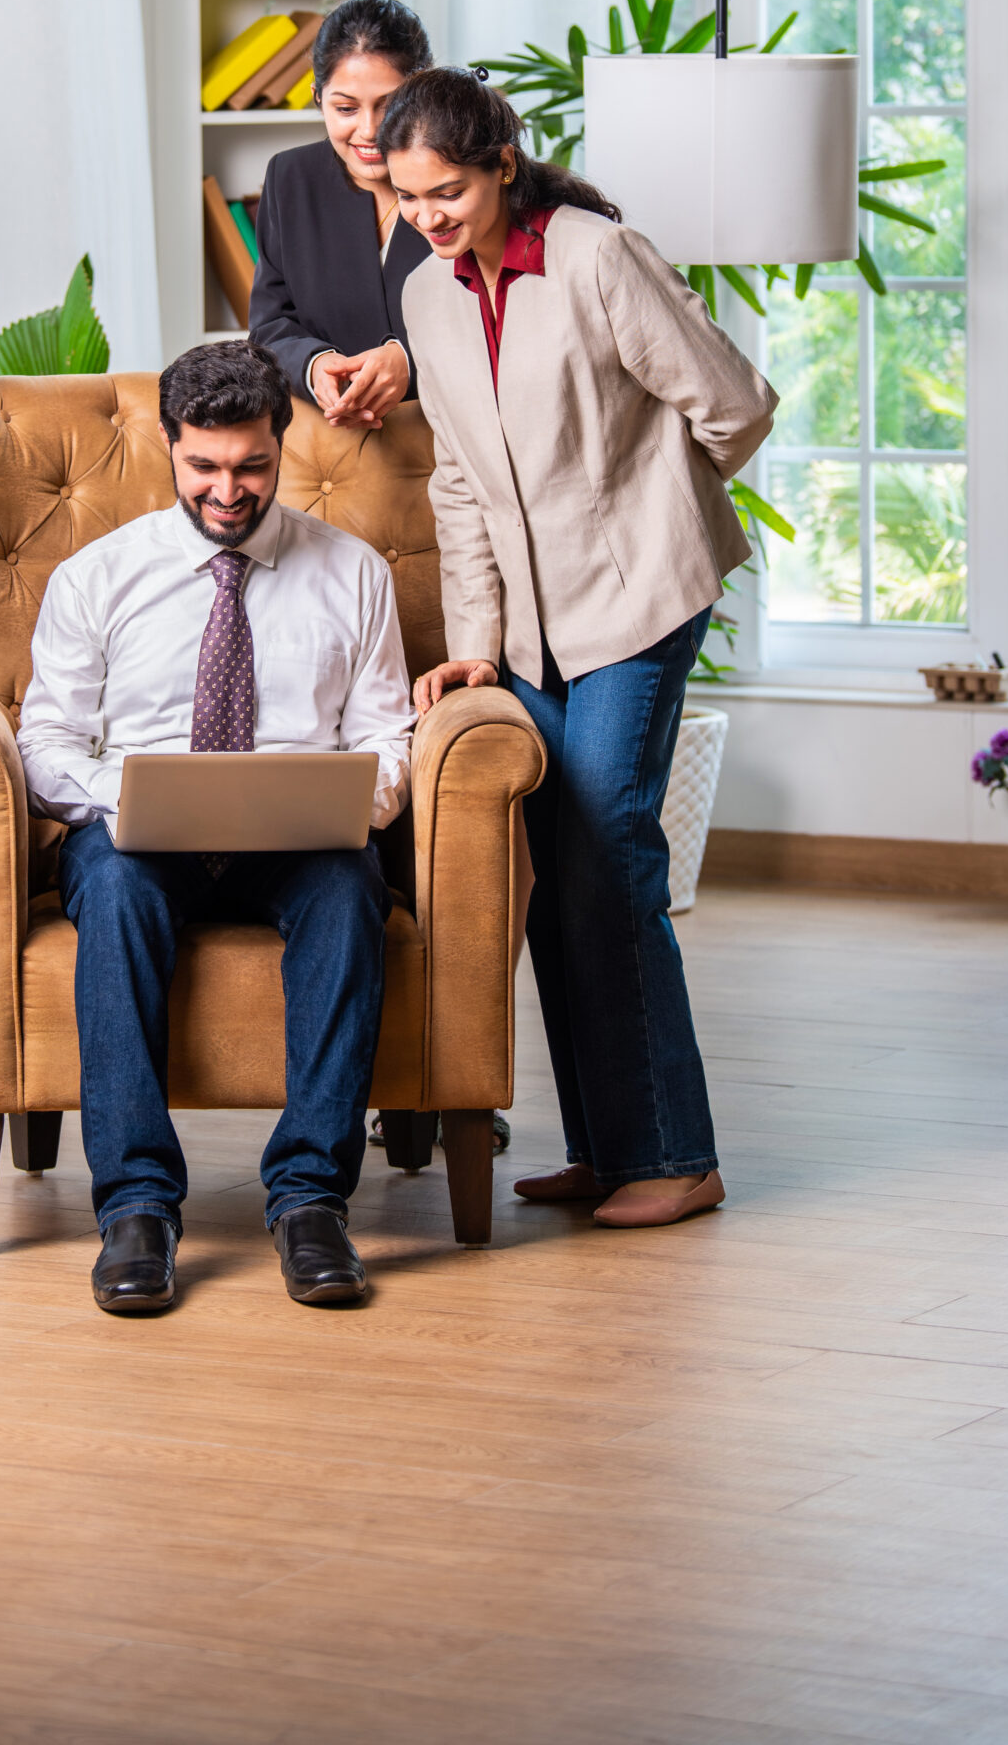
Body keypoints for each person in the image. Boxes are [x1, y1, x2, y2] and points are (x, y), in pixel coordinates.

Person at [380, 67, 777, 1231]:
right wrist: (474, 647)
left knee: (607, 841)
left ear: (501, 161)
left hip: (641, 598)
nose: (428, 216)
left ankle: (675, 1154)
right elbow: (456, 483)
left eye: (445, 190)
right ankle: (605, 1149)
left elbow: (734, 403)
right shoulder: (426, 295)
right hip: (533, 633)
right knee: (553, 869)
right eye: (408, 198)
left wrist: (655, 503)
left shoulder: (594, 255)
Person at [17, 340, 414, 1315]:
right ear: (168, 444)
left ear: (281, 444)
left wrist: (355, 799)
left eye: (250, 466)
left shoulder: (352, 574)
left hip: (298, 841)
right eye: (203, 466)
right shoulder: (97, 577)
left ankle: (311, 1199)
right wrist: (122, 800)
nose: (227, 490)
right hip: (136, 832)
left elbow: (385, 732)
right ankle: (137, 1208)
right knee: (111, 882)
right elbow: (45, 738)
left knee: (349, 884)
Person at [248, 0, 432, 432]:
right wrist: (314, 366)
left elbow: (506, 320)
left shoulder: (466, 181)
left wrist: (411, 360)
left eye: (389, 106)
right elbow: (270, 324)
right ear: (318, 98)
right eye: (346, 108)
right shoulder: (289, 177)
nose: (369, 131)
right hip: (332, 442)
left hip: (452, 438)